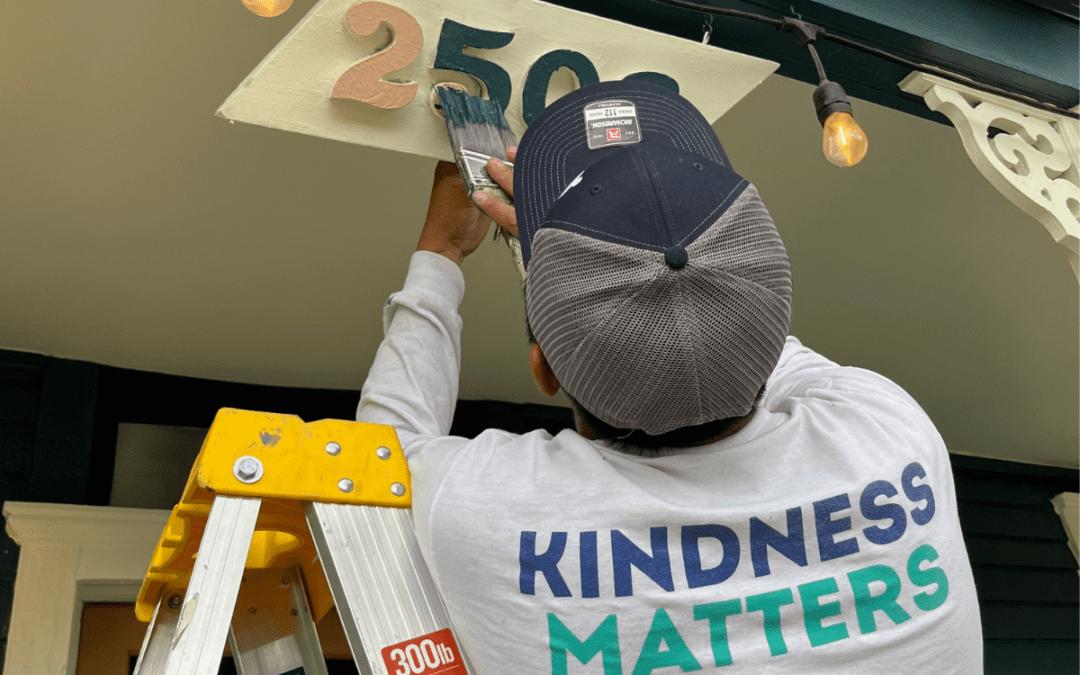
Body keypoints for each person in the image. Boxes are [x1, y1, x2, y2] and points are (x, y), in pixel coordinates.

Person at [357, 81, 983, 674]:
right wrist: (585, 263)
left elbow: (374, 459)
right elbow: (748, 330)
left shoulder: (483, 512)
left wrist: (443, 249)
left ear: (543, 370)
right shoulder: (887, 432)